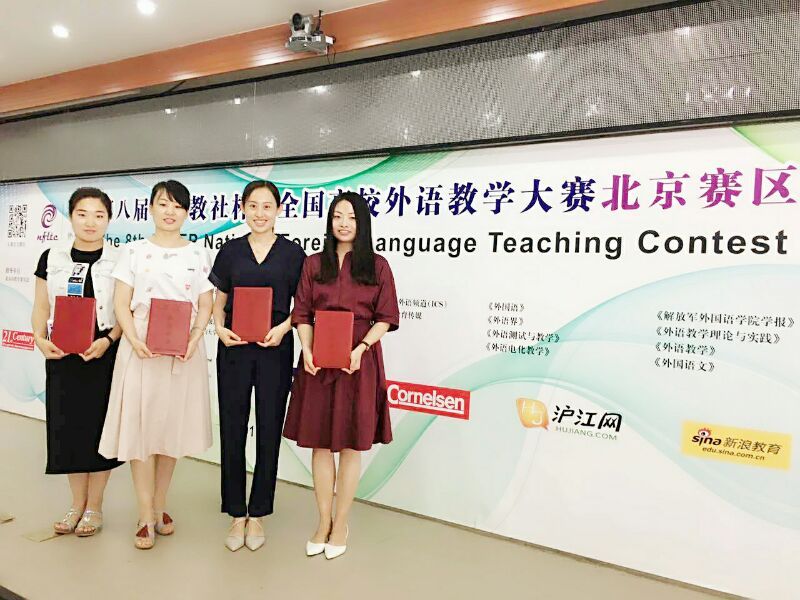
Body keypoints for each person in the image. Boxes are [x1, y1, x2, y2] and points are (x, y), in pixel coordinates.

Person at [283, 191, 400, 560]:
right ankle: (322, 522)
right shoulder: (314, 264)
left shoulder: (377, 266)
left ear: (362, 223)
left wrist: (361, 348)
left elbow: (386, 316)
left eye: (351, 216)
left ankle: (341, 523)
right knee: (319, 444)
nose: (344, 223)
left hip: (358, 361)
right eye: (337, 216)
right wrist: (307, 349)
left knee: (350, 445)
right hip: (318, 360)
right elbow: (302, 312)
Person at [99, 180, 214, 550]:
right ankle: (145, 513)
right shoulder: (133, 251)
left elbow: (206, 303)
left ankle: (161, 504)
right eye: (163, 204)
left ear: (187, 213)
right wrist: (134, 339)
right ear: (150, 208)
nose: (170, 212)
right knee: (142, 433)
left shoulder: (198, 254)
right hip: (141, 349)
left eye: (178, 206)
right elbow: (121, 303)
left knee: (168, 432)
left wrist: (195, 337)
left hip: (182, 352)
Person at [209, 180, 306, 551]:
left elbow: (303, 306)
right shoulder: (230, 251)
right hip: (234, 348)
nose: (260, 213)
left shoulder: (293, 254)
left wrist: (284, 328)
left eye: (267, 206)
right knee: (232, 428)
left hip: (274, 348)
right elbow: (219, 300)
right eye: (253, 206)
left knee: (269, 429)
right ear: (243, 209)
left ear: (279, 210)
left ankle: (259, 512)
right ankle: (236, 513)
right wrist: (219, 328)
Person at [31, 187, 124, 537]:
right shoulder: (51, 257)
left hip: (102, 353)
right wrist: (39, 337)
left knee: (99, 430)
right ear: (70, 216)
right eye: (82, 214)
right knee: (68, 429)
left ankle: (95, 506)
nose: (90, 222)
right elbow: (41, 305)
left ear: (109, 220)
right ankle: (76, 504)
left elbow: (125, 312)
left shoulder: (120, 259)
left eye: (99, 215)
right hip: (63, 353)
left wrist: (108, 340)